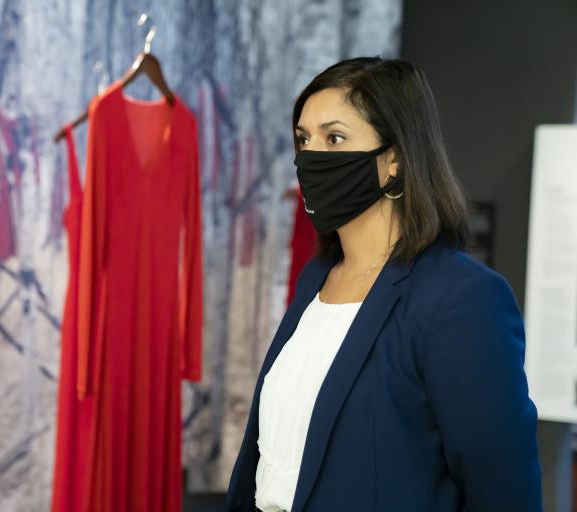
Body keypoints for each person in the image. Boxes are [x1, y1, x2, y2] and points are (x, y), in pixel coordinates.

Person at [225, 57, 542, 512]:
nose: (311, 157)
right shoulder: (316, 277)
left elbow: (504, 490)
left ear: (393, 159)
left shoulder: (461, 297)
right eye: (303, 139)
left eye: (334, 138)